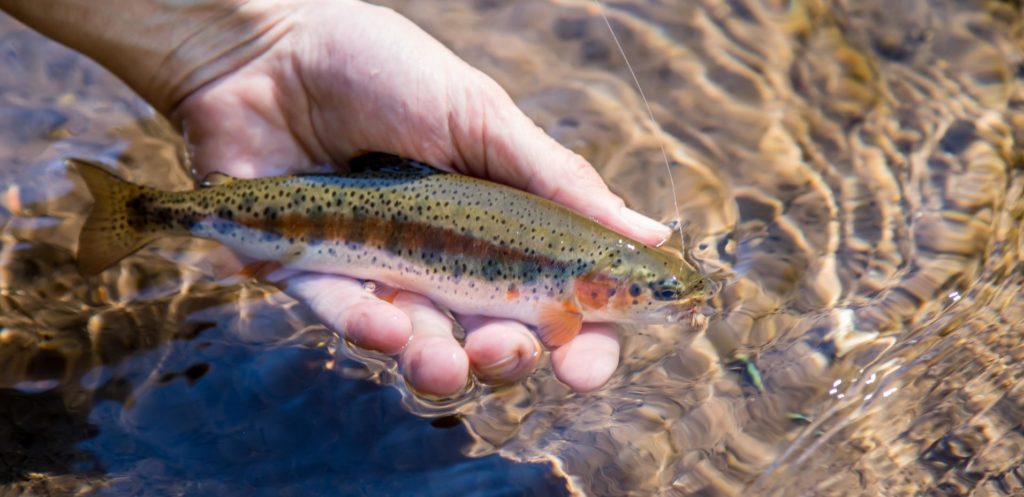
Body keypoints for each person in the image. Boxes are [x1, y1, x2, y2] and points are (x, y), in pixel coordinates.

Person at [0, 0, 672, 396]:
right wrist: (258, 39)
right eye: (660, 294)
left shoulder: (580, 276)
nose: (666, 304)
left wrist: (245, 36)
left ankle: (145, 210)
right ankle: (141, 210)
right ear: (603, 286)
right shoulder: (566, 305)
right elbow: (559, 324)